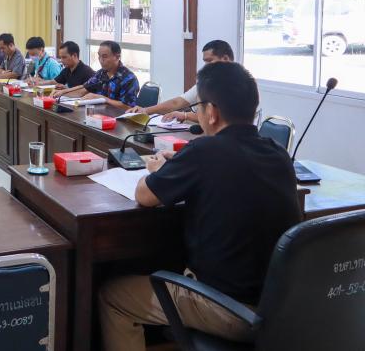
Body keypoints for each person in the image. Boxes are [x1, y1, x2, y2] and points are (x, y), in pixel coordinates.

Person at [99, 61, 301, 351]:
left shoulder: (205, 150)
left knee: (113, 297)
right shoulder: (278, 153)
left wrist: (156, 171)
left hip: (228, 308)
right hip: (280, 307)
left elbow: (144, 195)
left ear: (212, 112)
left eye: (199, 107)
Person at [127, 40, 234, 122]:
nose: (206, 66)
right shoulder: (209, 82)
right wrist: (145, 110)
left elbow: (218, 118)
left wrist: (186, 115)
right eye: (205, 62)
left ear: (225, 59)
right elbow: (177, 102)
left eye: (210, 61)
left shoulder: (238, 85)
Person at [51, 41, 139, 110]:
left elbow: (128, 107)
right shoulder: (101, 74)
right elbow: (82, 90)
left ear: (117, 57)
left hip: (117, 121)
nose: (100, 60)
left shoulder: (129, 78)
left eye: (104, 56)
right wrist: (61, 93)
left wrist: (102, 98)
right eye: (99, 56)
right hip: (98, 115)